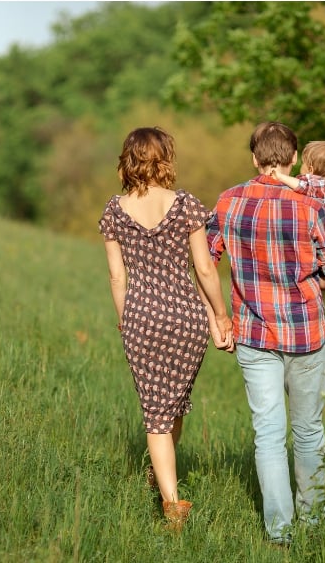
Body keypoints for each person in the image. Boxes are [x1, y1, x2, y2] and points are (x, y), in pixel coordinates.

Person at [207, 121, 325, 547]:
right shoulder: (311, 205)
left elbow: (204, 260)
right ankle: (313, 525)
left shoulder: (229, 201)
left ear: (254, 158)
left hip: (252, 332)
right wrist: (303, 276)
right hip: (305, 333)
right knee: (307, 431)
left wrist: (217, 317)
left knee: (268, 433)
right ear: (292, 160)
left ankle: (279, 532)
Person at [99, 126, 233, 531]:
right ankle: (169, 492)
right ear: (165, 158)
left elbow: (116, 278)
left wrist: (126, 319)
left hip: (142, 318)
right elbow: (205, 268)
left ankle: (170, 502)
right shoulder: (187, 205)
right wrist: (220, 315)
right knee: (169, 406)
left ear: (128, 160)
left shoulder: (113, 211)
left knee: (159, 409)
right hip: (185, 318)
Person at [271, 139, 325, 221]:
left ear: (310, 169)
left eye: (303, 162)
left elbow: (302, 185)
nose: (302, 164)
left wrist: (280, 176)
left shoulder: (322, 186)